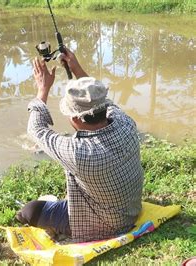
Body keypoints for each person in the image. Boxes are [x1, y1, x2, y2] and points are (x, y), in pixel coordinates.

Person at [16, 49, 144, 243]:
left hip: (103, 225)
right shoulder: (124, 122)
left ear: (75, 118)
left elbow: (36, 130)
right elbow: (102, 100)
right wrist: (76, 68)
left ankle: (61, 229)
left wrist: (43, 89)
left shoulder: (78, 152)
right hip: (132, 211)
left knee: (29, 211)